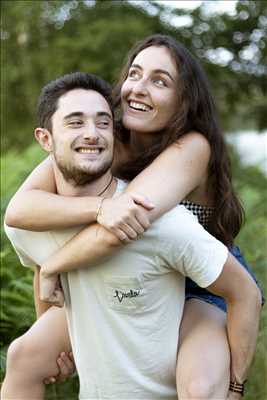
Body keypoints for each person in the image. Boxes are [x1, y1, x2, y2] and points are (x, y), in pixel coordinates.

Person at [3, 34, 263, 398]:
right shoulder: (105, 137)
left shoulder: (192, 146)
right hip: (131, 270)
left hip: (200, 284)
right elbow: (20, 210)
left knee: (200, 386)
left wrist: (53, 266)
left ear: (183, 100)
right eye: (135, 74)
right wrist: (99, 208)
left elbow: (122, 225)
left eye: (160, 81)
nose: (139, 88)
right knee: (25, 355)